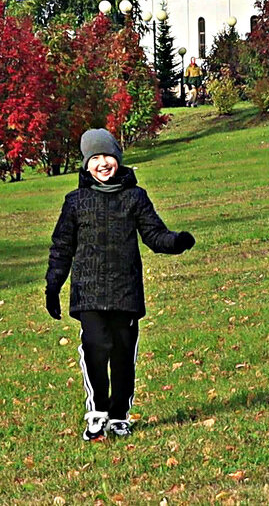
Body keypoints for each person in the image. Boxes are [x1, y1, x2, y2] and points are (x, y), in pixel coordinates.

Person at [45, 129, 195, 442]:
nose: (103, 163)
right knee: (96, 351)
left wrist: (176, 242)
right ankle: (97, 414)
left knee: (123, 356)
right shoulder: (75, 202)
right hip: (88, 294)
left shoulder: (134, 197)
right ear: (86, 165)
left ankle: (119, 416)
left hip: (125, 291)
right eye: (95, 158)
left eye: (108, 157)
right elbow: (62, 246)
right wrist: (53, 285)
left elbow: (154, 235)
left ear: (118, 159)